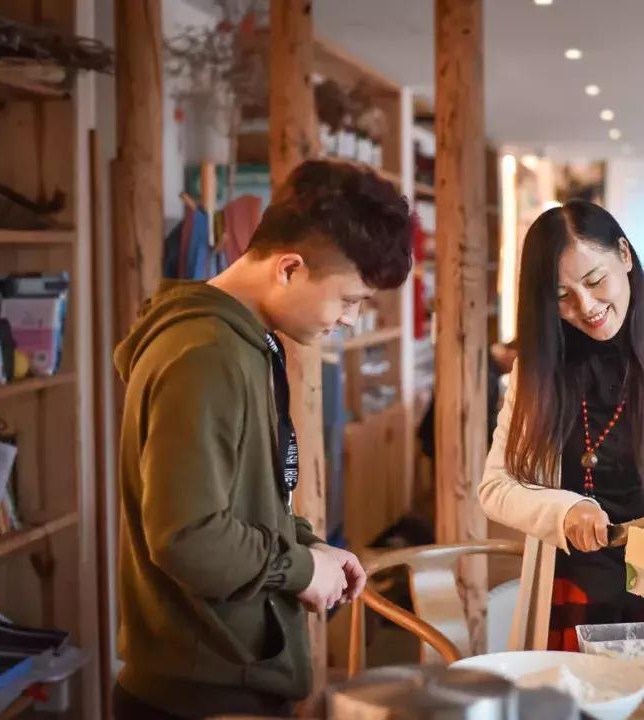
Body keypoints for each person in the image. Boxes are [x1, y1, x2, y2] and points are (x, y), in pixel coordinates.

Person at [112, 161, 413, 719]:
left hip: (229, 675)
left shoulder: (242, 342)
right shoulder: (204, 354)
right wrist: (298, 570)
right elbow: (189, 537)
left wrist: (307, 545)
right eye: (349, 299)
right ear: (290, 268)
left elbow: (243, 496)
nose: (349, 320)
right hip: (202, 693)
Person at [478, 201, 644, 651]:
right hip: (572, 590)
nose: (586, 307)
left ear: (624, 255)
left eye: (594, 280)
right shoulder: (539, 368)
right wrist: (564, 511)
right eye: (561, 296)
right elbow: (496, 486)